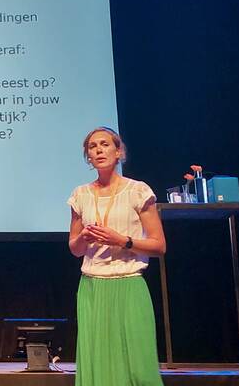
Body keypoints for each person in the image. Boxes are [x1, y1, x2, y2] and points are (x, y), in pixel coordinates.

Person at [67, 127, 166, 386]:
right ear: (88, 156)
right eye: (92, 146)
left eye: (104, 144)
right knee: (95, 359)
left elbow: (159, 246)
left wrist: (122, 240)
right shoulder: (80, 195)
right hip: (92, 286)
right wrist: (83, 239)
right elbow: (75, 249)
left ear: (118, 151)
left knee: (137, 361)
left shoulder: (138, 191)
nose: (98, 150)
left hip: (129, 282)